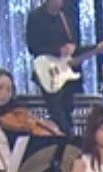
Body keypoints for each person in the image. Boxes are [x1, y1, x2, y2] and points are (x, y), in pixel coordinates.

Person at [27, 0, 82, 135]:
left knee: (68, 111)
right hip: (48, 71)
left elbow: (75, 42)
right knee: (58, 115)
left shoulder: (67, 14)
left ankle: (69, 139)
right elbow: (33, 47)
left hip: (67, 71)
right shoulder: (36, 17)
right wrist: (58, 50)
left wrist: (74, 47)